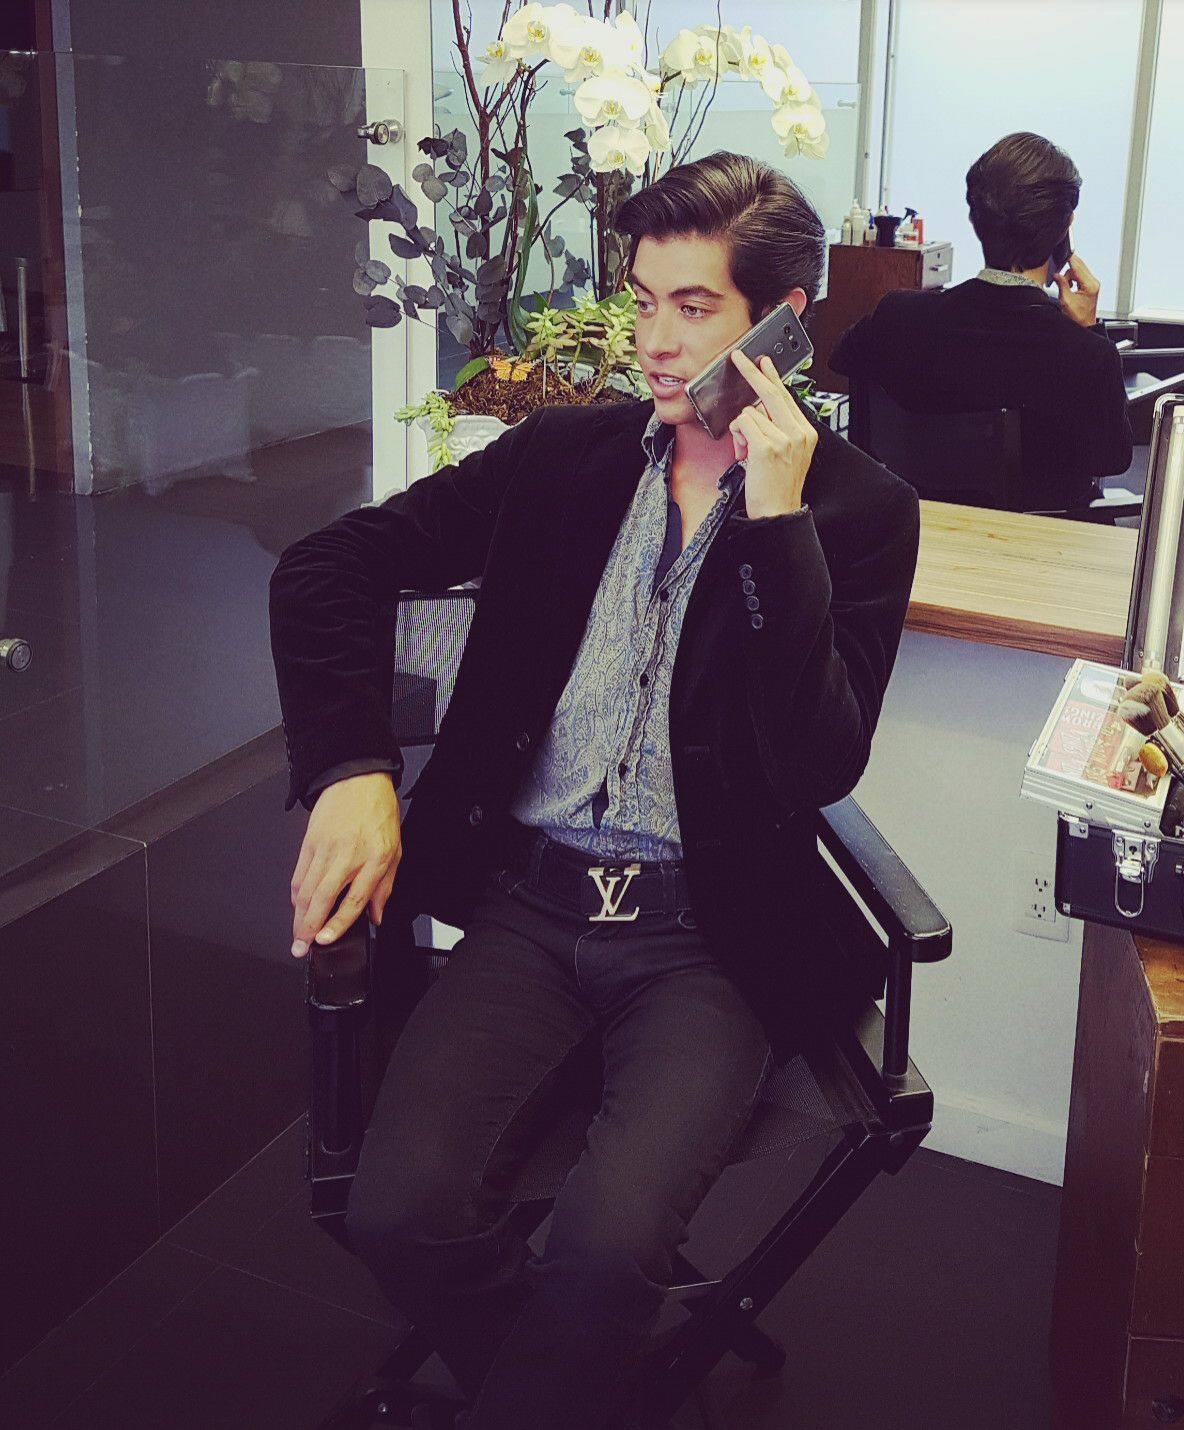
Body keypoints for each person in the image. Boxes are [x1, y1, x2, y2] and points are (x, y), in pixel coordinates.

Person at [268, 151, 920, 1429]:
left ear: (784, 323)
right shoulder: (561, 460)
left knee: (608, 1250)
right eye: (643, 301)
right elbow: (326, 568)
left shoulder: (858, 511)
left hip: (710, 936)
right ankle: (591, 1392)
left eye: (696, 307)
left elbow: (817, 761)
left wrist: (776, 526)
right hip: (530, 908)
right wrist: (354, 770)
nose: (655, 342)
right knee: (394, 1213)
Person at [832, 131, 1132, 510]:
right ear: (1063, 231)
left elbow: (841, 358)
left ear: (975, 221)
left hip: (916, 528)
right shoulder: (1086, 355)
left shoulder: (897, 317)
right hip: (1037, 539)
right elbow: (1113, 458)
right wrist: (1090, 330)